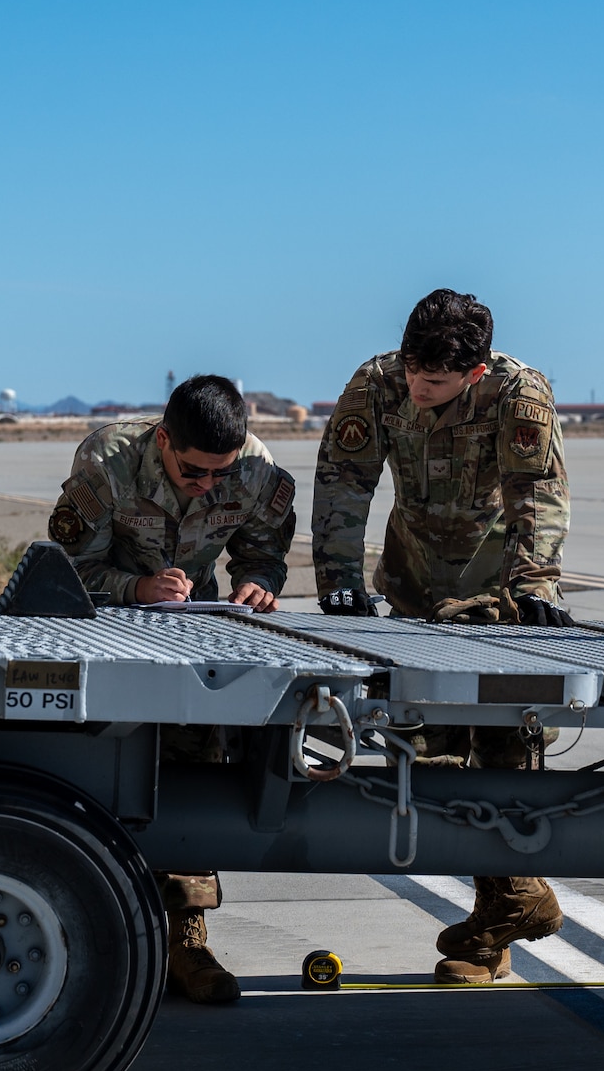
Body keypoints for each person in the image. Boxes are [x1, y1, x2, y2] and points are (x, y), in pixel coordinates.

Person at [312, 288, 574, 984]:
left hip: (496, 597)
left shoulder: (518, 394)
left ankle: (490, 936)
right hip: (414, 587)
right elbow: (343, 480)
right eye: (413, 373)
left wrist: (537, 585)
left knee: (503, 750)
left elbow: (539, 495)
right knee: (427, 759)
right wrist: (337, 576)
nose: (417, 389)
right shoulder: (376, 383)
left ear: (475, 374)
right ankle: (515, 899)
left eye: (434, 382)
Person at [47, 374, 297, 1004]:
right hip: (104, 627)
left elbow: (263, 553)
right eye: (193, 471)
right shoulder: (107, 462)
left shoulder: (258, 471)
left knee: (194, 763)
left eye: (221, 473)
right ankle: (83, 932)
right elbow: (69, 571)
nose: (208, 484)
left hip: (192, 627)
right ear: (163, 441)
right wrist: (135, 590)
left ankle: (186, 939)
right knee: (91, 774)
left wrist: (259, 585)